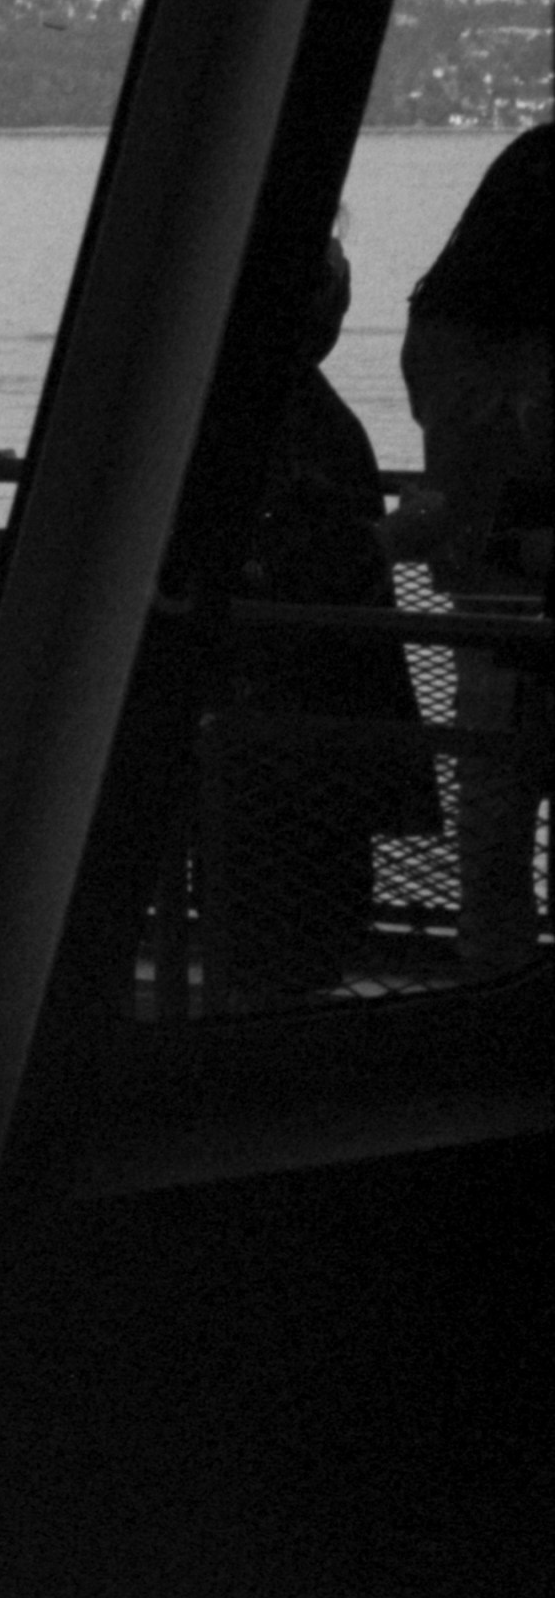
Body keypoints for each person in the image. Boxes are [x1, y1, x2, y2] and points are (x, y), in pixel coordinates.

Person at [212, 218, 439, 1006]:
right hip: (305, 724)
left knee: (272, 929)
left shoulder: (248, 400)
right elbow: (296, 565)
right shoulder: (295, 413)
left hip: (266, 726)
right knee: (298, 930)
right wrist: (393, 537)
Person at [391, 120, 552, 978]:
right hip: (510, 596)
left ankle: (492, 986)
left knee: (492, 821)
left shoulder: (447, 331)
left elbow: (456, 470)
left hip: (487, 607)